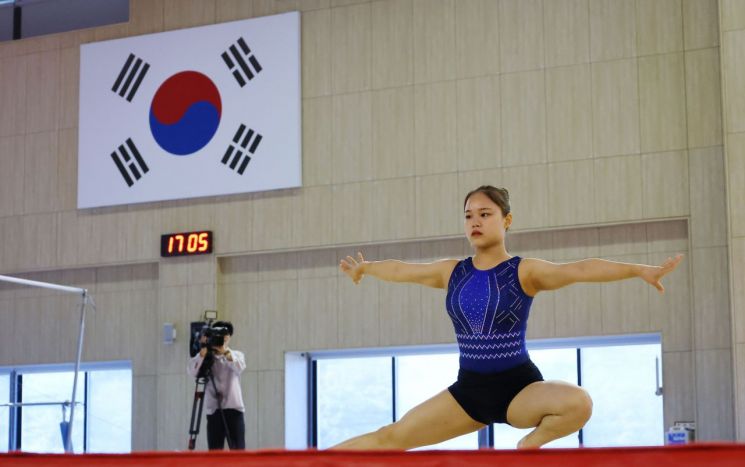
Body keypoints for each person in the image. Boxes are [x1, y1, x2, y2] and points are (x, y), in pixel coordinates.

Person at [334, 185, 683, 450]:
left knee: (579, 403)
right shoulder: (451, 272)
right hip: (469, 392)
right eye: (469, 215)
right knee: (390, 438)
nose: (475, 222)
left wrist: (638, 270)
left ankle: (525, 449)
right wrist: (367, 268)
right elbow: (403, 270)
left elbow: (580, 269)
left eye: (485, 214)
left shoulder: (524, 271)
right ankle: (304, 461)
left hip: (519, 388)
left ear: (506, 221)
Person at [187, 321, 247, 450]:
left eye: (222, 335)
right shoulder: (205, 356)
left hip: (234, 409)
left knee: (239, 452)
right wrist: (202, 353)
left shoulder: (237, 355)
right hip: (214, 410)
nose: (218, 338)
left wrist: (224, 352)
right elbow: (193, 372)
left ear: (228, 337)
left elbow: (239, 367)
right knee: (215, 452)